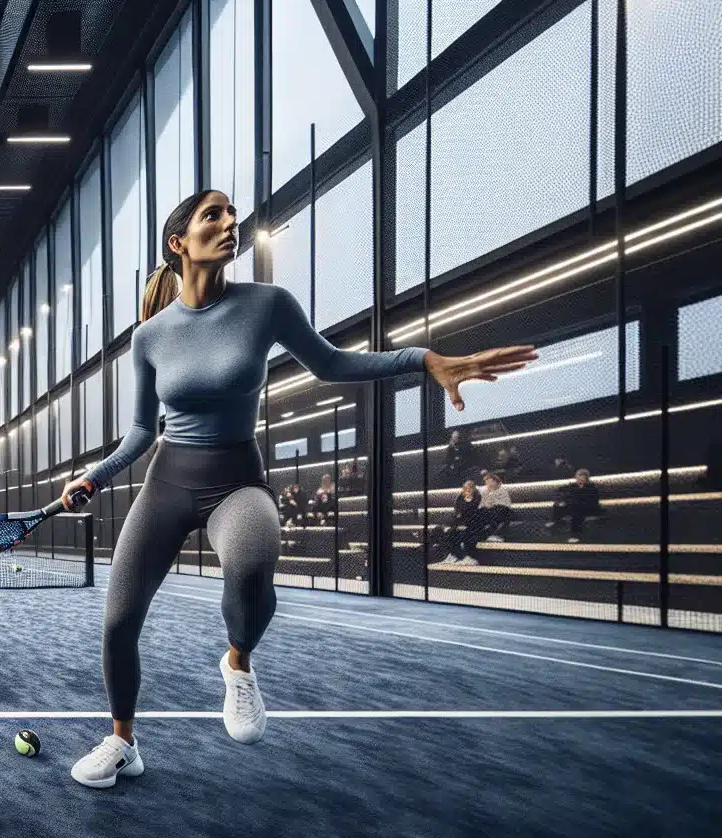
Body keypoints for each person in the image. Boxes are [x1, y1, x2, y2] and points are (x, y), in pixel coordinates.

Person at [59, 190, 536, 789]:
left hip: (237, 482)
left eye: (232, 214)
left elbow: (334, 365)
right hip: (167, 484)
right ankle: (123, 742)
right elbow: (139, 433)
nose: (231, 223)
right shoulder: (150, 337)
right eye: (214, 215)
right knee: (118, 623)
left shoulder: (268, 306)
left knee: (255, 563)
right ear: (179, 243)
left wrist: (424, 360)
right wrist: (94, 478)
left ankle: (237, 663)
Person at [550, 468, 602, 543]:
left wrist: (570, 502)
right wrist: (563, 501)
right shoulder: (572, 485)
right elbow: (560, 490)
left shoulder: (591, 487)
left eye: (582, 477)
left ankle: (575, 535)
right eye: (578, 477)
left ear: (586, 478)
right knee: (558, 504)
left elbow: (591, 500)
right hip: (574, 505)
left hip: (589, 507)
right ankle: (556, 521)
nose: (580, 479)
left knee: (577, 510)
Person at [440, 480, 483, 566]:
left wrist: (466, 526)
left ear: (473, 490)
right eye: (466, 489)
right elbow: (457, 515)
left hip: (474, 525)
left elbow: (478, 516)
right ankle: (455, 555)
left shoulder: (478, 499)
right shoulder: (460, 500)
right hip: (461, 524)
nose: (468, 491)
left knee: (463, 533)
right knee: (448, 532)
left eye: (470, 489)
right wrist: (456, 526)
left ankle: (468, 557)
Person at [478, 472, 513, 542]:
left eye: (492, 482)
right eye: (487, 482)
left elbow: (504, 504)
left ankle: (495, 534)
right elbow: (483, 504)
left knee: (498, 512)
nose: (489, 484)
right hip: (490, 511)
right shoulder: (484, 491)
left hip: (503, 511)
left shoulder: (502, 490)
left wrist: (490, 498)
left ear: (497, 482)